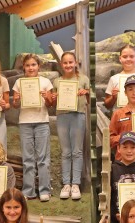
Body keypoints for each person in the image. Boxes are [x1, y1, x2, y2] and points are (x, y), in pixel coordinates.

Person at [12, 54, 53, 201]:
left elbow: (50, 105)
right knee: (28, 158)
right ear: (24, 67)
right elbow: (15, 105)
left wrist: (46, 97)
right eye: (28, 65)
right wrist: (16, 100)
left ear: (38, 66)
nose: (31, 68)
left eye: (33, 65)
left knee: (43, 158)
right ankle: (29, 191)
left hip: (42, 121)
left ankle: (44, 190)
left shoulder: (46, 82)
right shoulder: (18, 82)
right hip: (25, 122)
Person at [50, 51, 90, 200]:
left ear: (75, 63)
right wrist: (53, 97)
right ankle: (66, 184)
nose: (68, 65)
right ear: (61, 64)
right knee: (65, 151)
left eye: (70, 62)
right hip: (62, 117)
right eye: (65, 63)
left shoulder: (84, 79)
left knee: (77, 151)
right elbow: (52, 103)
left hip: (78, 116)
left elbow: (90, 100)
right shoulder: (57, 82)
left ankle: (76, 184)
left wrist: (86, 92)